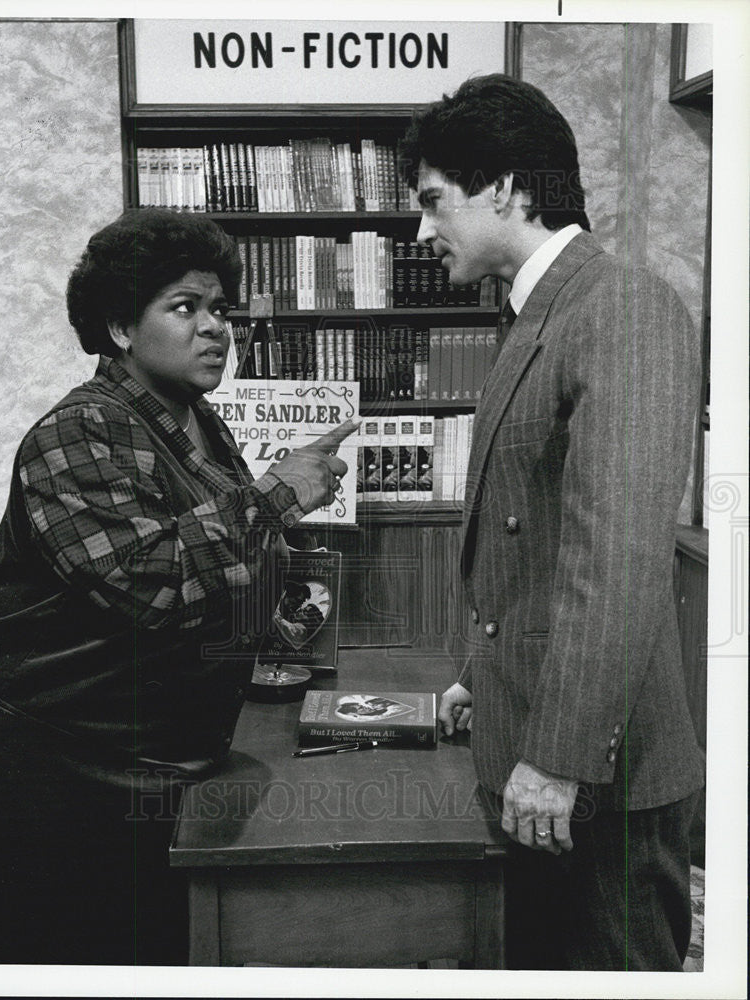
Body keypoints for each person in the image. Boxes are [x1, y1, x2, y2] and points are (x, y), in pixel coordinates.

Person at [0, 207, 357, 965]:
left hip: (172, 762)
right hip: (75, 783)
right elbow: (150, 582)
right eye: (184, 307)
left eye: (221, 308)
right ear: (122, 327)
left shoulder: (196, 421)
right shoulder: (76, 433)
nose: (216, 327)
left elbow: (231, 562)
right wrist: (279, 494)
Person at [400, 75, 704, 971]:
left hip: (598, 777)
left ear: (505, 189)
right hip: (539, 740)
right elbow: (528, 535)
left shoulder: (620, 305)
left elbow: (613, 559)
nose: (422, 230)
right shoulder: (547, 310)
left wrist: (560, 758)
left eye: (433, 201)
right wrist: (480, 673)